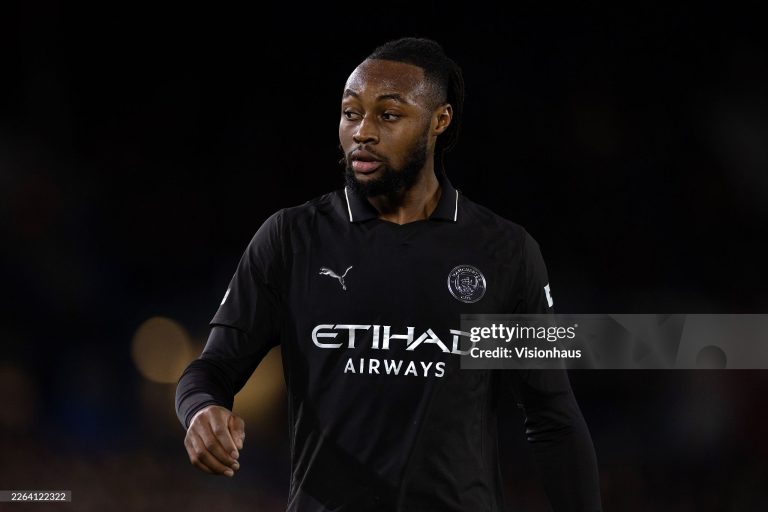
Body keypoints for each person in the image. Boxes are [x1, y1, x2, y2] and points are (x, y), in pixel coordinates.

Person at [175, 37, 602, 511]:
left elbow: (552, 416)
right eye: (351, 113)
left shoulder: (506, 251)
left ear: (440, 120)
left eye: (388, 115)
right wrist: (201, 411)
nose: (362, 132)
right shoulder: (291, 239)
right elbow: (212, 370)